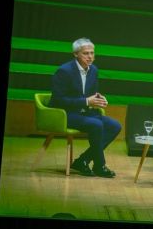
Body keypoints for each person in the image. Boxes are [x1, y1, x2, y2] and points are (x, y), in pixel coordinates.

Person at [50, 38, 122, 178]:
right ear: (75, 54)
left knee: (115, 126)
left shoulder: (93, 70)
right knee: (95, 124)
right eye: (86, 53)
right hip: (66, 113)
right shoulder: (64, 71)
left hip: (86, 112)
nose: (90, 57)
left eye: (92, 53)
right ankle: (99, 165)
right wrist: (86, 102)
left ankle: (83, 160)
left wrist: (99, 99)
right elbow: (58, 100)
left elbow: (90, 95)